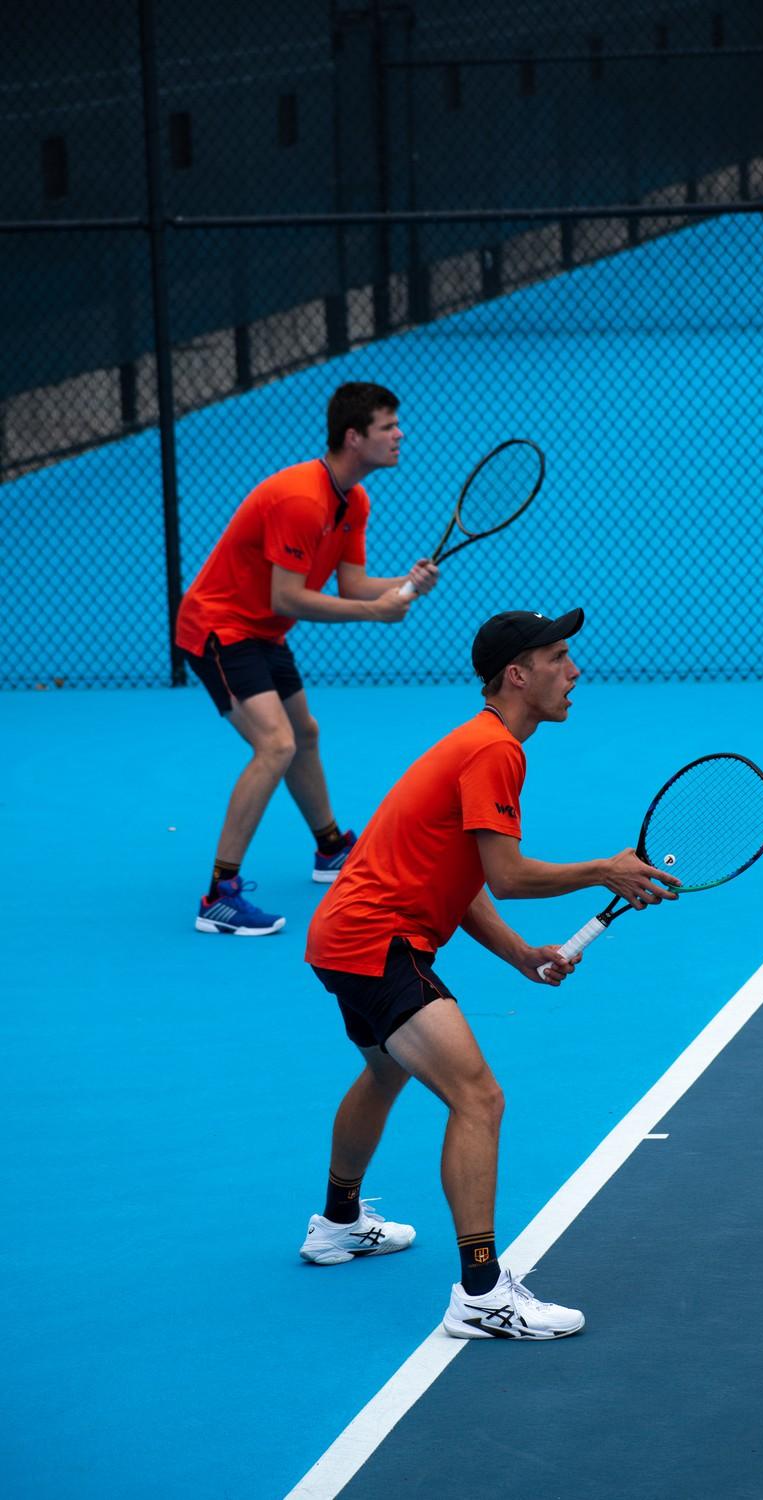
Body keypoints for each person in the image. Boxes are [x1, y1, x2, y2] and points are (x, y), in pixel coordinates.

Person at [300, 607, 679, 1339]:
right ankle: (482, 1294)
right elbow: (505, 874)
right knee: (478, 1097)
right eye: (559, 658)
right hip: (379, 942)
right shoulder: (495, 751)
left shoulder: (483, 745)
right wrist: (604, 867)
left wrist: (518, 953)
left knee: (385, 1073)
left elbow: (467, 874)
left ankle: (338, 1223)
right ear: (518, 674)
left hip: (344, 937)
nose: (573, 672)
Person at [175, 382, 438, 937]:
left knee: (305, 732)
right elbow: (287, 597)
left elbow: (355, 583)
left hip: (263, 631)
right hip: (219, 627)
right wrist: (376, 614)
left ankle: (330, 849)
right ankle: (219, 895)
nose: (400, 434)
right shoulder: (301, 498)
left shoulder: (355, 500)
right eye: (388, 426)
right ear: (353, 437)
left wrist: (406, 586)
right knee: (275, 744)